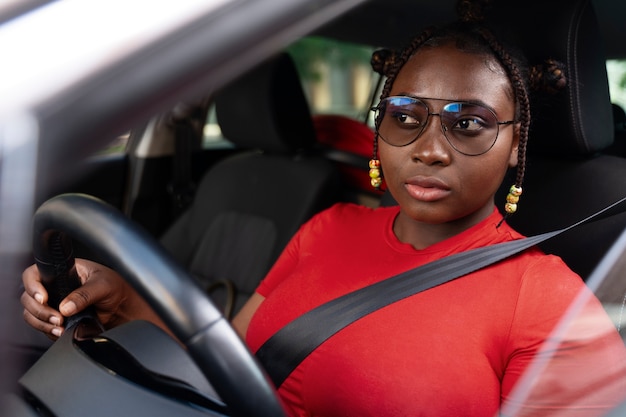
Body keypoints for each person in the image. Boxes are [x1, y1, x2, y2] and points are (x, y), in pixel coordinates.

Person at [21, 3, 626, 416]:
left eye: (469, 124)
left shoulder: (549, 300)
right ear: (380, 126)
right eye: (406, 118)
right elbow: (231, 355)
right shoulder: (328, 228)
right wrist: (123, 297)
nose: (430, 148)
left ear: (517, 141)